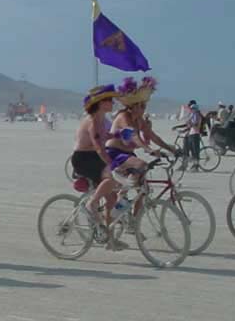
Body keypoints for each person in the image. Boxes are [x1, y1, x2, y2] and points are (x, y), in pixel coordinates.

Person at [105, 77, 169, 249]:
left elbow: (154, 136)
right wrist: (148, 149)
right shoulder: (123, 117)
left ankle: (132, 220)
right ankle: (120, 201)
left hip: (128, 155)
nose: (143, 108)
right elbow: (132, 135)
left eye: (144, 106)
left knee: (144, 188)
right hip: (115, 154)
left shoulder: (139, 119)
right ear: (132, 106)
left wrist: (171, 148)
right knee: (140, 165)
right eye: (141, 105)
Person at [72, 85, 120, 229]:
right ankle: (92, 204)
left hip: (93, 157)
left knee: (112, 197)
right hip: (84, 159)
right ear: (101, 103)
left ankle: (107, 233)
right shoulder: (92, 121)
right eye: (110, 100)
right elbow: (99, 147)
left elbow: (105, 137)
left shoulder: (100, 120)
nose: (113, 103)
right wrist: (112, 164)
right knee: (112, 177)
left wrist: (119, 135)